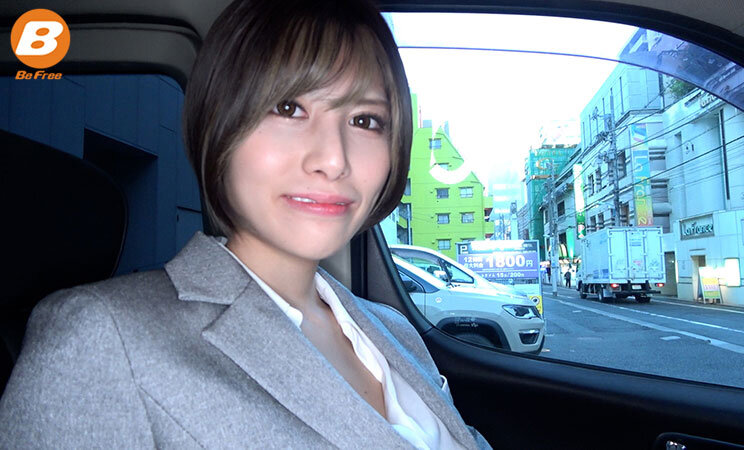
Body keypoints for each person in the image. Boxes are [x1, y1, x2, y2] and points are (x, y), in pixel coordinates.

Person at [0, 1, 490, 448]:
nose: (334, 159)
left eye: (365, 121)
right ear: (219, 124)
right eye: (289, 108)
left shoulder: (394, 330)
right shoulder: (100, 340)